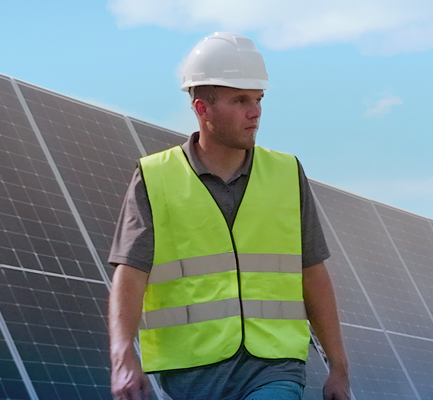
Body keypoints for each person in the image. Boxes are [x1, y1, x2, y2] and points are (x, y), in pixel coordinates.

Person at [105, 32, 352, 400]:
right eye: (240, 100)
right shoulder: (155, 177)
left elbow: (312, 272)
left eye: (258, 99)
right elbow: (131, 272)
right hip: (190, 371)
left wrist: (339, 366)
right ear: (202, 109)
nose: (256, 112)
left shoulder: (286, 173)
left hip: (275, 365)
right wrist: (123, 356)